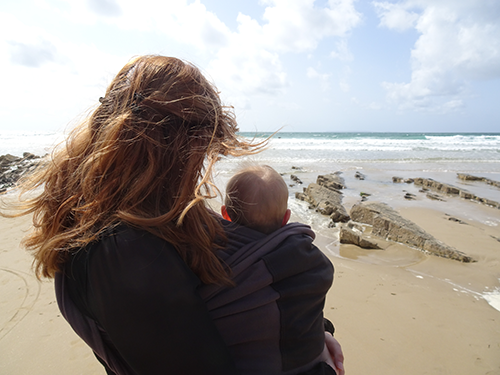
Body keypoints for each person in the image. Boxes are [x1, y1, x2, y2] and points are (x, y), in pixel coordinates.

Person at [5, 55, 344, 375]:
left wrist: (314, 332)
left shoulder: (148, 218)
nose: (199, 169)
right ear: (173, 150)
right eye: (201, 152)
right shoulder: (126, 253)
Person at [198, 165, 337, 374]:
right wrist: (324, 330)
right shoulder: (310, 260)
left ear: (225, 214)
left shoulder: (211, 255)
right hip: (307, 365)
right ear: (286, 218)